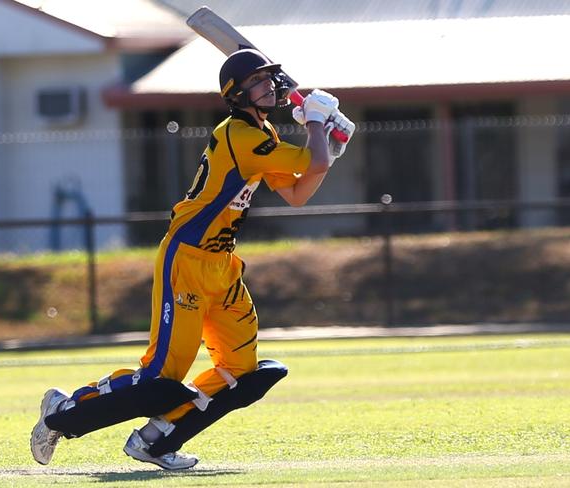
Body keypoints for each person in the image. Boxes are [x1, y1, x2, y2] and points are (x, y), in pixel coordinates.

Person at [30, 48, 355, 470]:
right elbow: (310, 160)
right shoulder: (241, 135)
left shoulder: (265, 136)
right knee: (162, 377)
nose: (270, 86)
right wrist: (316, 123)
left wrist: (327, 146)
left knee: (243, 373)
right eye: (258, 81)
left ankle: (155, 441)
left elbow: (297, 193)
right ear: (237, 95)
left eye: (270, 78)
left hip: (221, 265)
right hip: (186, 258)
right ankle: (62, 410)